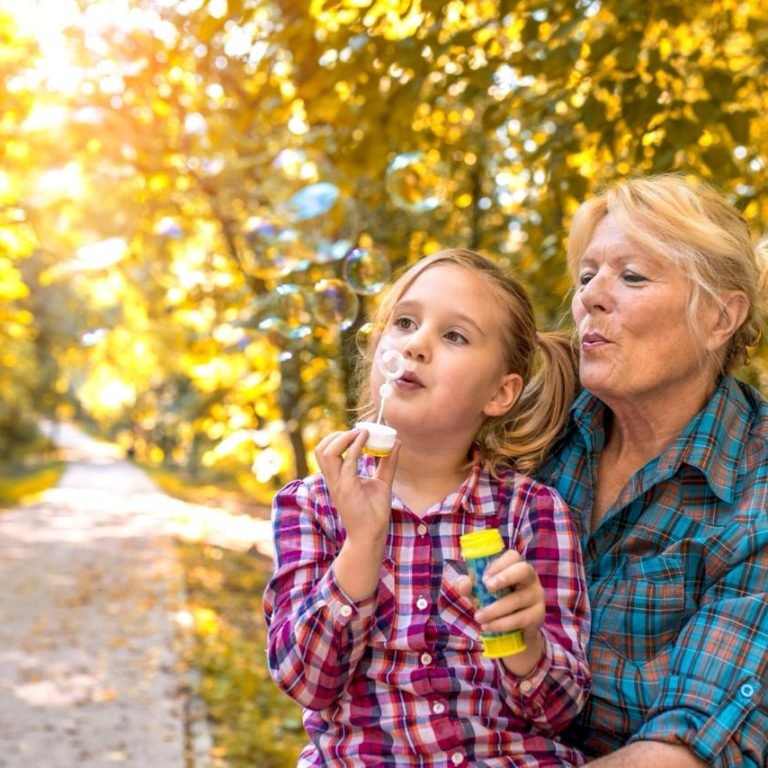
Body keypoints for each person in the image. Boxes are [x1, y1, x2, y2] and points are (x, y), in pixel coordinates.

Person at [264, 249, 591, 767]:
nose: (415, 344)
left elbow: (560, 712)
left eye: (454, 336)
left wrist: (526, 641)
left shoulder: (532, 512)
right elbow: (306, 681)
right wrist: (364, 542)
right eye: (406, 322)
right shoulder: (310, 505)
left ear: (501, 393)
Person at [535, 173, 768, 767]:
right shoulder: (537, 424)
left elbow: (685, 750)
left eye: (631, 276)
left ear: (720, 318)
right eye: (586, 276)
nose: (590, 296)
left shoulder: (757, 483)